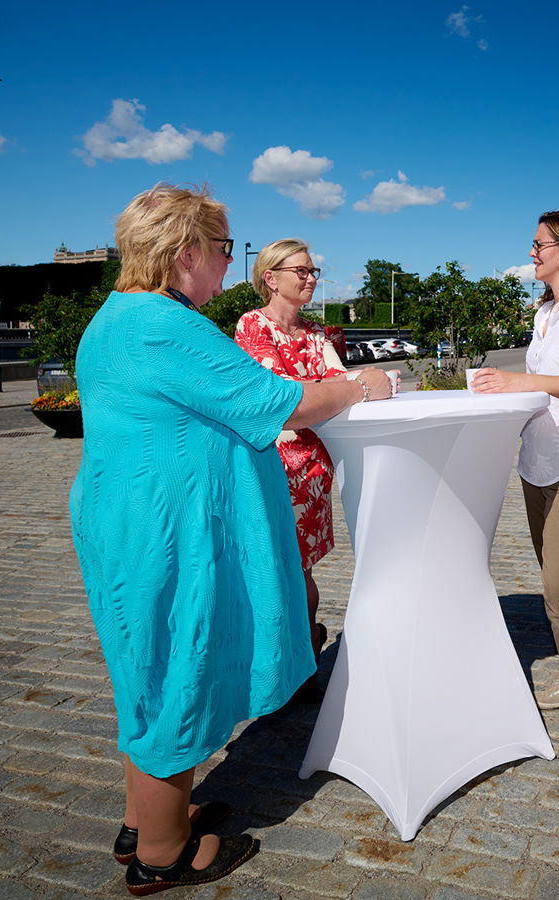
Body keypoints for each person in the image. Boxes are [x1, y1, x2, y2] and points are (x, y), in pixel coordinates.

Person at [70, 184, 391, 895]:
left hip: (133, 520)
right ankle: (164, 852)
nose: (226, 262)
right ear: (186, 251)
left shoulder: (118, 316)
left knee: (146, 669)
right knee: (178, 666)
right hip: (168, 531)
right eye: (222, 248)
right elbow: (285, 401)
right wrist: (360, 387)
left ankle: (146, 819)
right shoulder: (163, 323)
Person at [469, 209, 559, 763]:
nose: (532, 252)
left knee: (558, 583)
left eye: (539, 245)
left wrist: (521, 380)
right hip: (538, 465)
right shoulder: (547, 312)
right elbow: (543, 391)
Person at [235, 239, 364, 670]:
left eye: (313, 272)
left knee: (299, 570)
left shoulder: (314, 333)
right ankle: (292, 657)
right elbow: (282, 399)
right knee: (278, 571)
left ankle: (303, 656)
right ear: (270, 278)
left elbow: (340, 385)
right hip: (270, 468)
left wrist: (333, 391)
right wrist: (334, 392)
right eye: (301, 272)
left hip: (311, 471)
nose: (311, 278)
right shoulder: (252, 326)